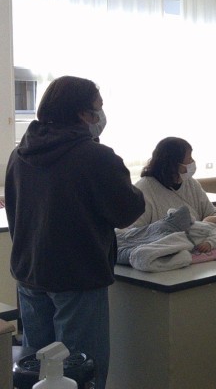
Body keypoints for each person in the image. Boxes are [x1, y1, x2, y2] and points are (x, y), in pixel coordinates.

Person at [4, 75, 146, 389]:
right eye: (98, 108)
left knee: (38, 369)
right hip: (77, 277)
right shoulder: (95, 156)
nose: (101, 116)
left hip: (29, 273)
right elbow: (127, 212)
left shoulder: (20, 154)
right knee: (81, 371)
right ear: (82, 114)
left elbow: (15, 211)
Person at [130, 137, 216, 228]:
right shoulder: (145, 189)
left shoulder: (191, 184)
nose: (192, 162)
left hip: (198, 237)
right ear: (173, 164)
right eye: (189, 159)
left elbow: (212, 213)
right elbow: (133, 232)